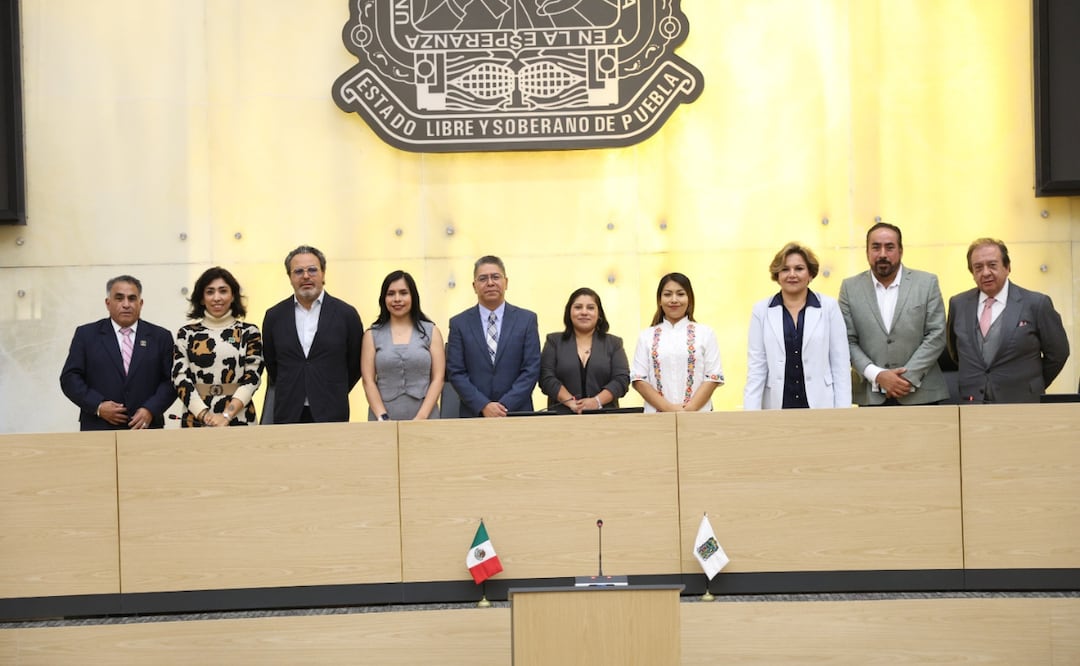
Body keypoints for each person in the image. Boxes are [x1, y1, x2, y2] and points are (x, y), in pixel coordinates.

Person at [838, 223, 949, 406]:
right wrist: (878, 375)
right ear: (867, 252)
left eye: (889, 247)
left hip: (921, 395)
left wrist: (905, 379)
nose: (882, 254)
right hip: (871, 396)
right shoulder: (850, 288)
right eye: (876, 247)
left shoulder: (927, 283)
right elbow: (846, 340)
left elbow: (936, 335)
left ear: (901, 250)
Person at [947, 238, 1070, 403]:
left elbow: (1058, 353)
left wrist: (1031, 384)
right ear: (972, 273)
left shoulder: (1036, 304)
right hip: (972, 404)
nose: (985, 273)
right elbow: (955, 353)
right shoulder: (958, 304)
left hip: (1021, 404)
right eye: (978, 267)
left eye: (992, 265)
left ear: (1007, 267)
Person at [261, 245, 364, 423]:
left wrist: (331, 388)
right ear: (290, 278)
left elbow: (355, 364)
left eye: (312, 270)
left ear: (323, 274)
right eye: (298, 271)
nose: (306, 276)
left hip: (331, 411)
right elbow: (273, 365)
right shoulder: (274, 316)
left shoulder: (346, 314)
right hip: (288, 412)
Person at [60, 275, 175, 430]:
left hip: (146, 429)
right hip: (99, 428)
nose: (126, 304)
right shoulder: (86, 335)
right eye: (119, 298)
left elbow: (171, 381)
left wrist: (150, 409)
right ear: (108, 303)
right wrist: (98, 406)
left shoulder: (160, 337)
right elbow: (70, 378)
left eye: (132, 298)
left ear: (141, 303)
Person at [744, 243, 850, 410]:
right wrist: (750, 412)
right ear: (777, 275)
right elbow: (756, 367)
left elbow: (840, 364)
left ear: (810, 273)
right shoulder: (761, 310)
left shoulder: (829, 307)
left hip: (821, 403)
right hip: (777, 404)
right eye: (785, 269)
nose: (792, 274)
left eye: (799, 268)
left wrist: (843, 411)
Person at [446, 255, 541, 417]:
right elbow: (456, 372)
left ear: (506, 282)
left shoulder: (526, 320)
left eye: (495, 277)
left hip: (518, 413)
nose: (490, 283)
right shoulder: (459, 324)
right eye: (483, 278)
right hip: (474, 414)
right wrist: (483, 405)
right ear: (474, 286)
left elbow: (531, 369)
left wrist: (504, 406)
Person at [172, 267, 264, 427]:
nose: (217, 298)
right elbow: (180, 378)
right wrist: (205, 415)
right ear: (201, 298)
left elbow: (253, 377)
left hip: (239, 416)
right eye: (210, 292)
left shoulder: (249, 332)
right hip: (196, 417)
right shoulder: (186, 333)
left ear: (232, 296)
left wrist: (227, 415)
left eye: (223, 291)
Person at [631, 273, 724, 412]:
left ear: (689, 299)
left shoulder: (706, 333)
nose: (674, 300)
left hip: (698, 416)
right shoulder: (646, 336)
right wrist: (668, 409)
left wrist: (688, 410)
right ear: (659, 300)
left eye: (680, 294)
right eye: (668, 294)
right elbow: (639, 379)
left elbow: (713, 376)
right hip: (657, 418)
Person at [361, 270, 445, 420]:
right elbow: (368, 380)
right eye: (391, 294)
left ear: (413, 296)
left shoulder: (431, 331)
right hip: (383, 421)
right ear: (383, 299)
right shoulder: (372, 334)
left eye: (403, 293)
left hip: (426, 418)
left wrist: (421, 417)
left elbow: (438, 378)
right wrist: (382, 417)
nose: (397, 299)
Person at [539, 287, 630, 414]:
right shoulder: (554, 341)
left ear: (599, 314)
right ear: (569, 312)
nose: (584, 312)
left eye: (591, 308)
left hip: (606, 418)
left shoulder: (614, 343)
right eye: (578, 307)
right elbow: (546, 378)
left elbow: (621, 380)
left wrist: (596, 401)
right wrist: (570, 401)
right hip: (561, 417)